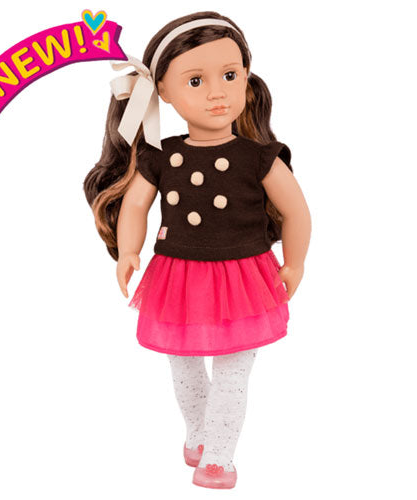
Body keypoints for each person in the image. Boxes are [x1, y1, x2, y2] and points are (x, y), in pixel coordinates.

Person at [83, 11, 311, 489]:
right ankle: (198, 432)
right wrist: (128, 251)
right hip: (178, 276)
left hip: (244, 277)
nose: (216, 93)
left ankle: (219, 456)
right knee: (183, 365)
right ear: (162, 92)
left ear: (246, 77)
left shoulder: (259, 157)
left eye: (230, 75)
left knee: (233, 373)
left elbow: (296, 211)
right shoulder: (161, 156)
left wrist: (295, 262)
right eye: (195, 81)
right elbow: (136, 206)